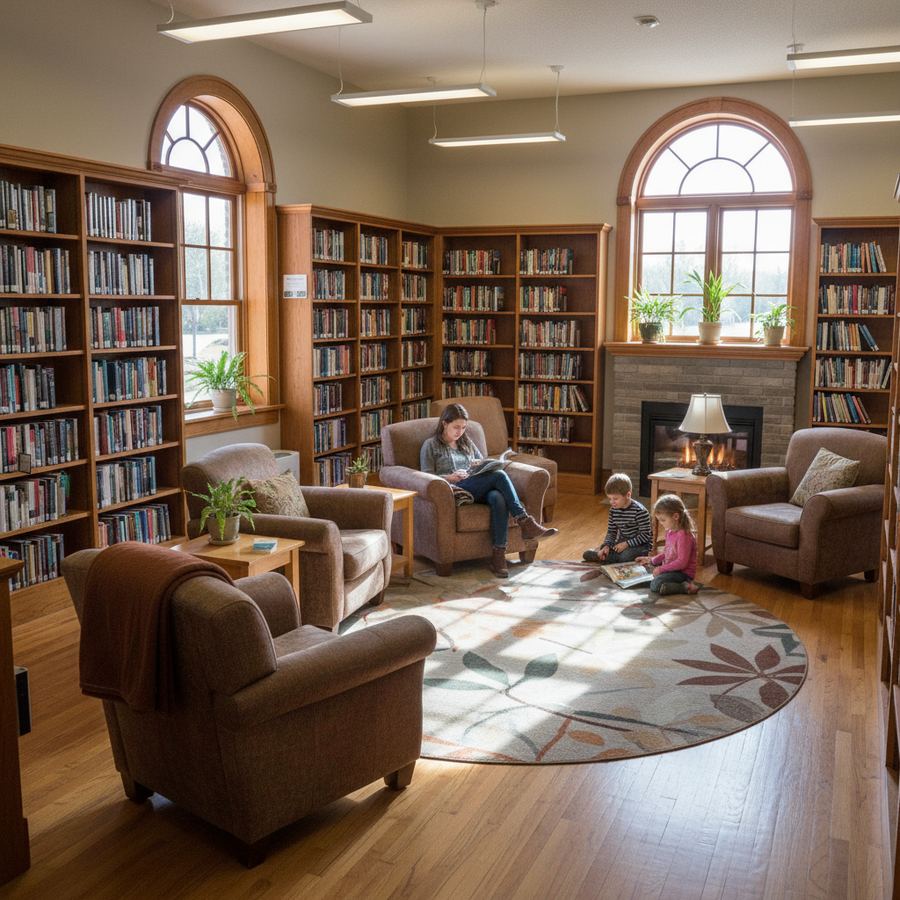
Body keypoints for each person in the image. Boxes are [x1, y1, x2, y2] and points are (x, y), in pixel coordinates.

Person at [420, 403, 558, 578]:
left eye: (463, 427)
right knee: (499, 476)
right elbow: (426, 476)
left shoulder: (466, 442)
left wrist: (479, 464)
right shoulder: (430, 445)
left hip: (476, 485)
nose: (460, 432)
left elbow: (482, 461)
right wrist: (450, 477)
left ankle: (498, 556)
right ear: (444, 423)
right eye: (456, 427)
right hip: (455, 490)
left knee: (498, 497)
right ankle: (525, 521)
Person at [636, 494, 700, 595]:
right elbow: (667, 552)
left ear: (676, 516)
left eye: (663, 520)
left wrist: (661, 569)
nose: (661, 523)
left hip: (683, 573)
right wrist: (651, 560)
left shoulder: (684, 536)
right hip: (671, 569)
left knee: (655, 584)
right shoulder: (670, 531)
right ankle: (667, 585)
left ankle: (684, 586)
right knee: (647, 575)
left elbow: (682, 563)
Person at [582, 473, 652, 564]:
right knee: (587, 554)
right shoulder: (613, 510)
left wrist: (626, 544)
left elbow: (645, 536)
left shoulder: (640, 511)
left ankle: (604, 557)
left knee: (624, 557)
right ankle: (604, 555)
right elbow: (612, 532)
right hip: (621, 542)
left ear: (628, 495)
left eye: (615, 499)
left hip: (640, 545)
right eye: (610, 499)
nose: (612, 502)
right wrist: (606, 546)